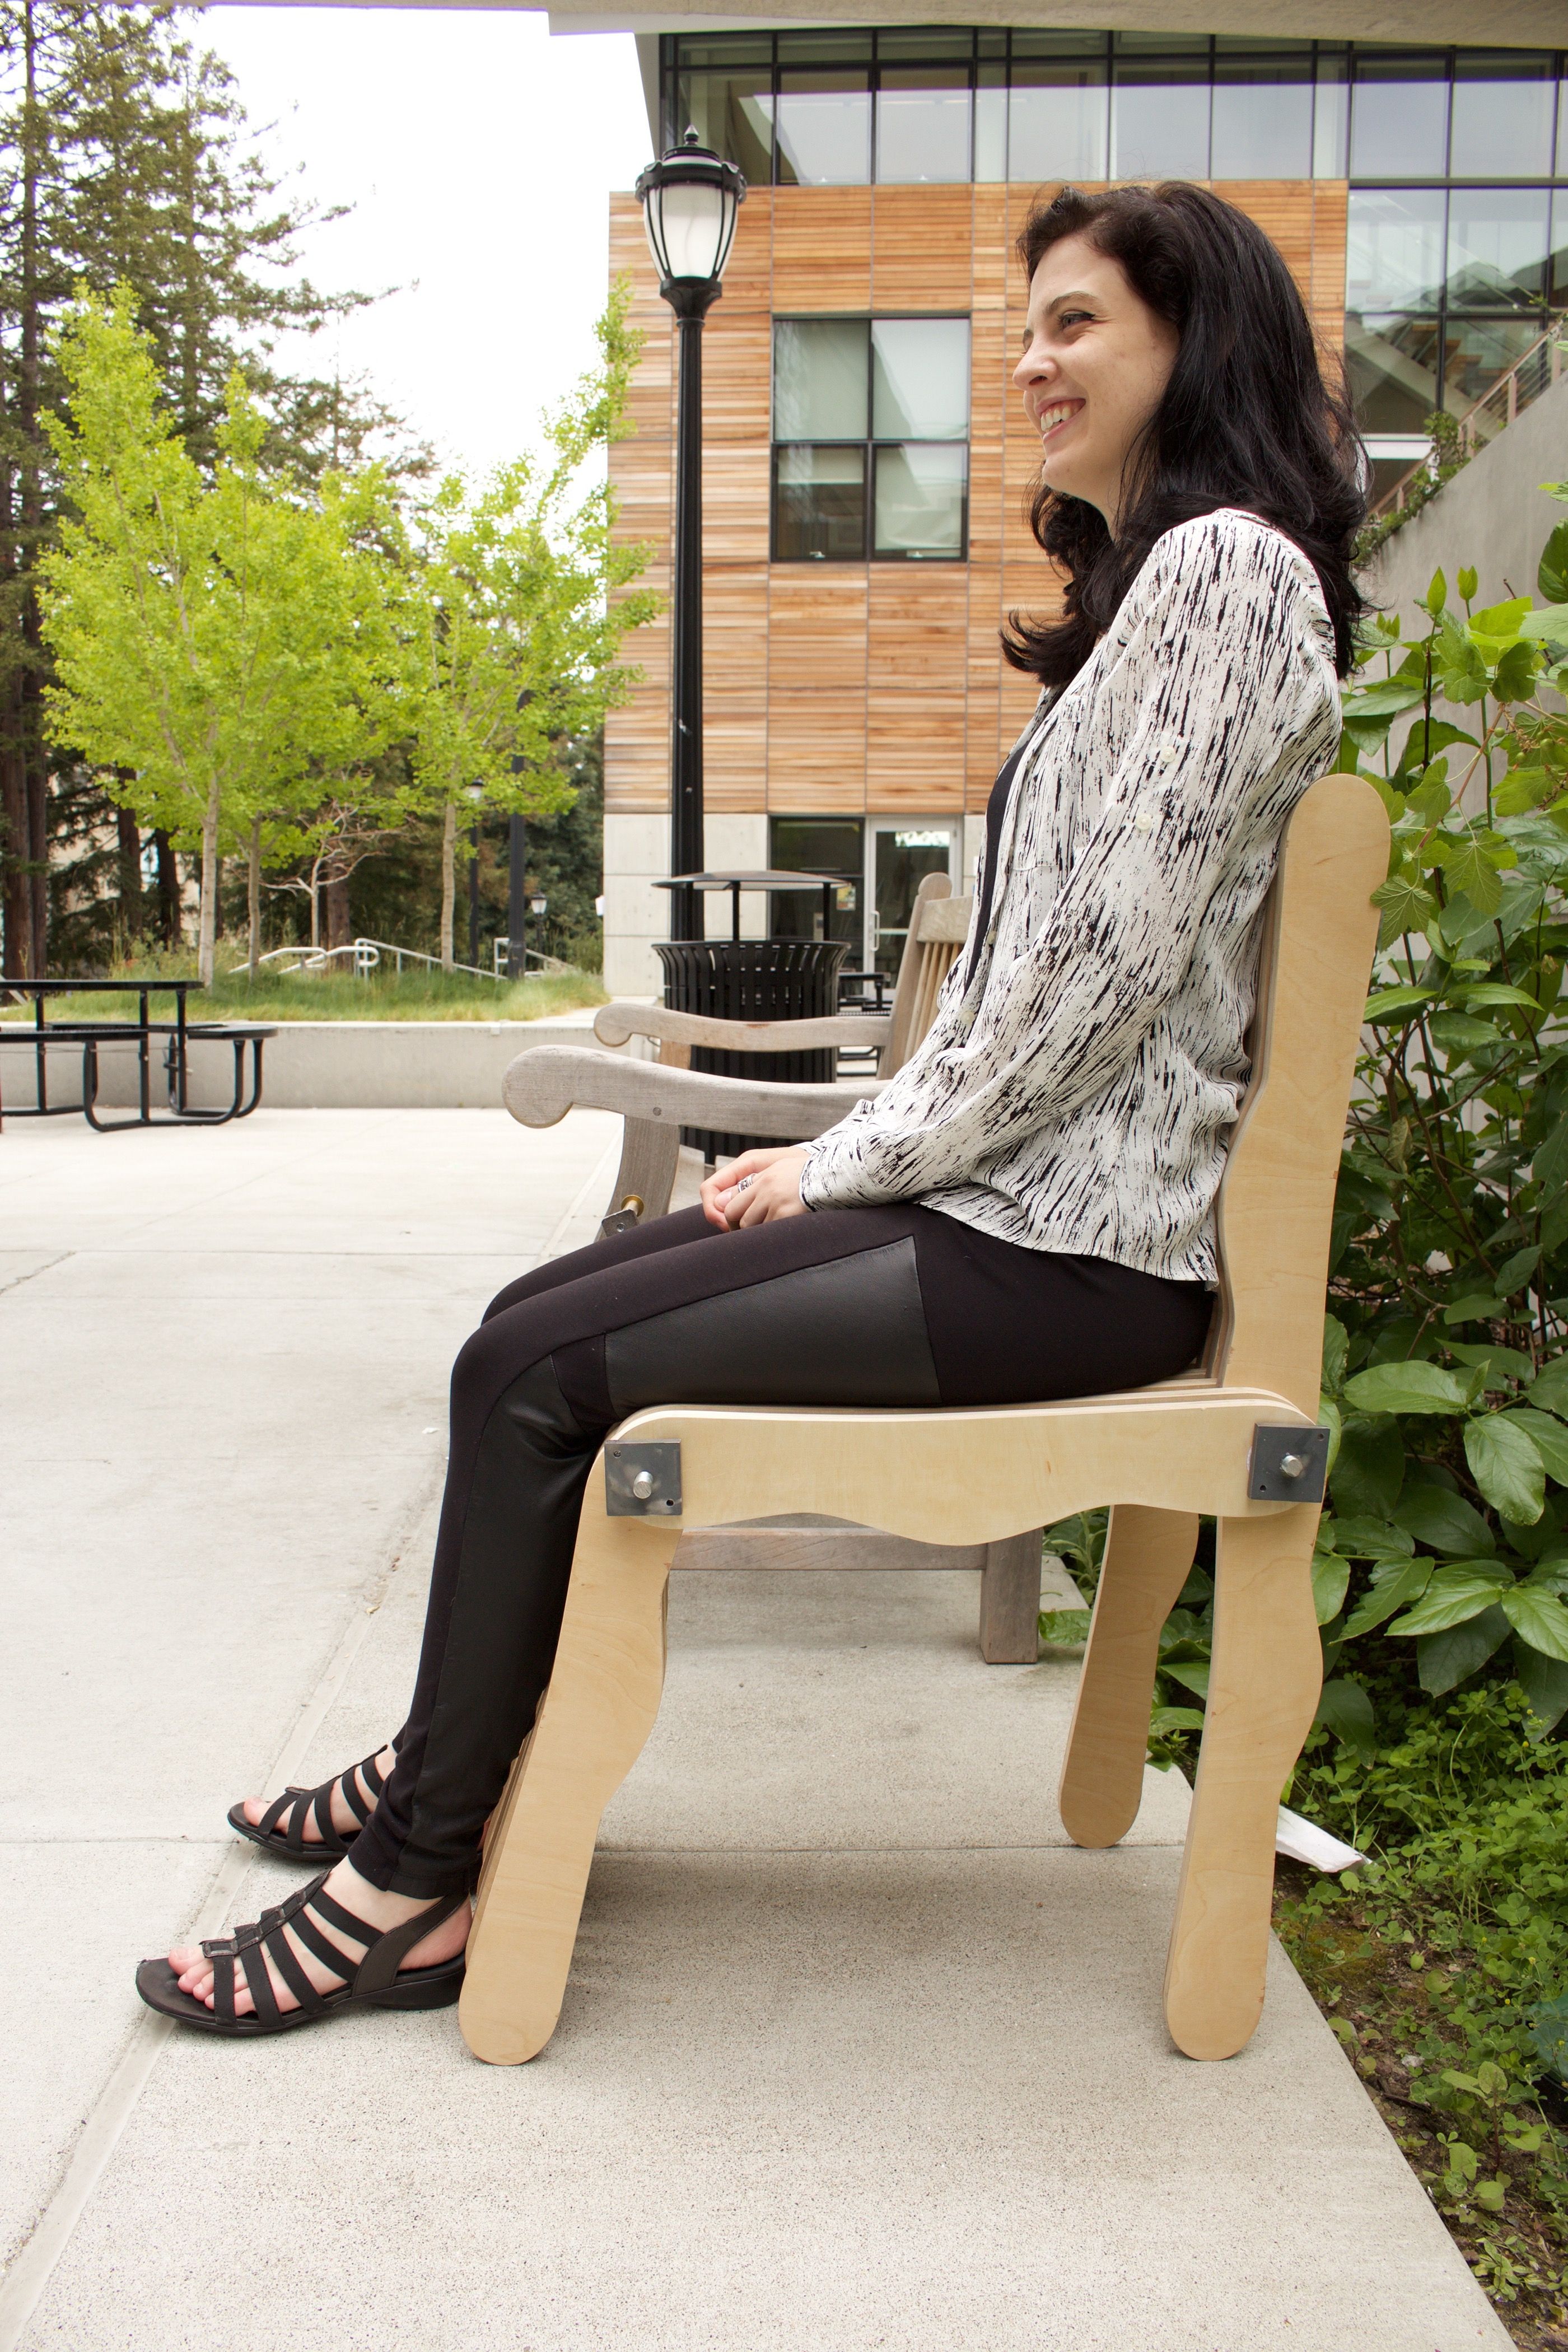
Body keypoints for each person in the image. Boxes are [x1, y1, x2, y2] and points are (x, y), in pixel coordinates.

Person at [136, 180, 1364, 2036]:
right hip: (1008, 1222)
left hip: (1067, 1258)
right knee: (520, 1329)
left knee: (526, 1375)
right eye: (1026, 325)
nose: (1029, 363)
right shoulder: (1160, 599)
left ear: (1198, 340)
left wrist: (846, 1158)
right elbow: (1050, 995)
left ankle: (414, 1887)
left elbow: (1087, 994)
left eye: (1075, 324)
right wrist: (850, 1156)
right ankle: (434, 1786)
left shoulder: (1225, 580)